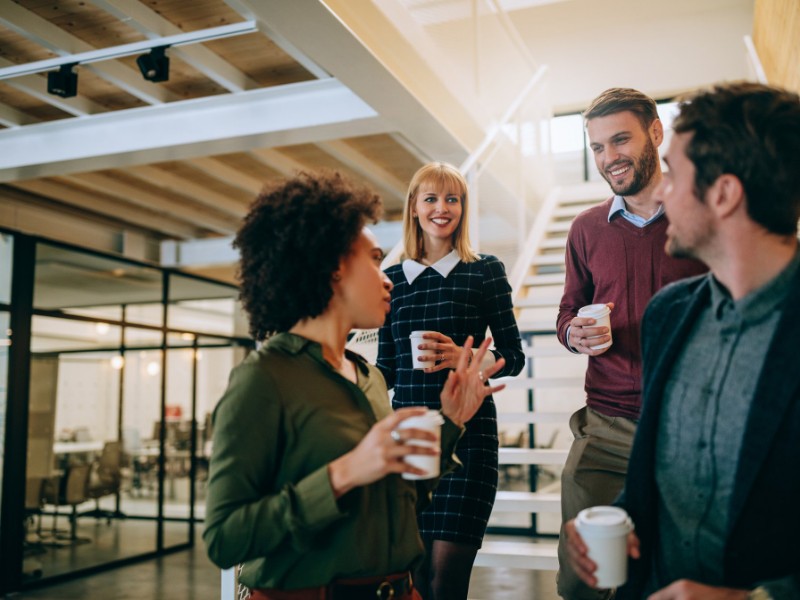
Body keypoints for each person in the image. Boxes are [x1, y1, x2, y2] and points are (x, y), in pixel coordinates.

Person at [202, 171, 507, 600]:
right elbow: (225, 540)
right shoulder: (264, 378)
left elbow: (395, 504)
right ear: (330, 269)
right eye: (372, 259)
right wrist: (345, 472)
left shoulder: (368, 379)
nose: (386, 277)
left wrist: (453, 420)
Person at [566, 81, 800, 599]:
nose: (661, 191)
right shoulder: (671, 316)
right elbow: (662, 474)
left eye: (673, 173)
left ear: (723, 194)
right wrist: (621, 520)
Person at [556, 88, 707, 600]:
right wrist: (573, 333)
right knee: (584, 580)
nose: (609, 157)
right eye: (597, 147)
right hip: (607, 427)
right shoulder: (586, 229)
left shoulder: (699, 217)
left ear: (656, 133)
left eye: (620, 140)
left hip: (687, 429)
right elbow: (568, 310)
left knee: (675, 575)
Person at [376, 161, 525, 600]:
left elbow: (513, 356)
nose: (443, 208)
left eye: (452, 199)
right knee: (415, 583)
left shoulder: (485, 271)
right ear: (414, 208)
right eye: (431, 198)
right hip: (411, 439)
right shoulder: (391, 282)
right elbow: (388, 367)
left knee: (447, 582)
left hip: (470, 439)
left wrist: (469, 358)